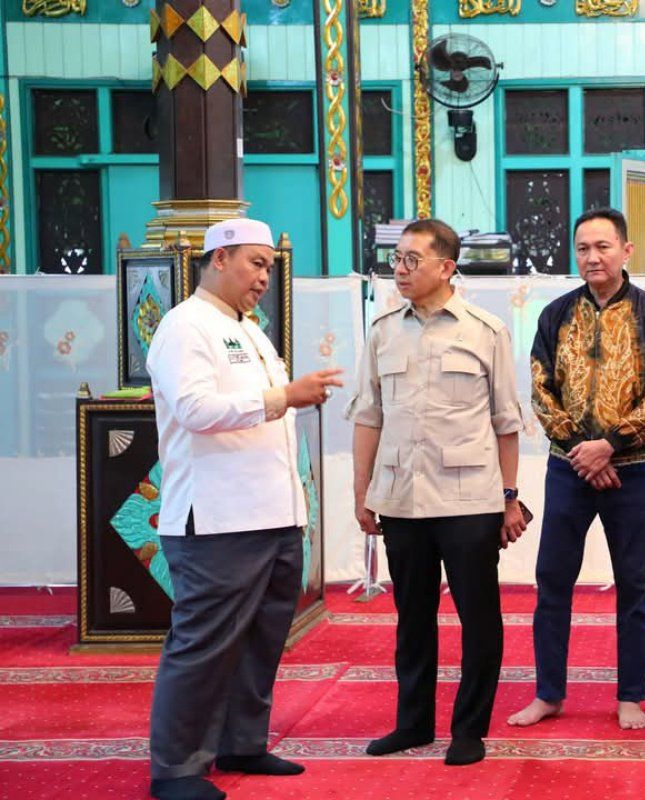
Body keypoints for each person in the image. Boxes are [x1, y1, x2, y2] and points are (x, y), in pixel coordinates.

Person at [145, 218, 344, 800]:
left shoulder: (251, 331)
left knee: (261, 639)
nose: (264, 276)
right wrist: (285, 396)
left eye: (268, 267)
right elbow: (195, 409)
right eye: (255, 263)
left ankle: (241, 743)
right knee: (204, 644)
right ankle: (177, 769)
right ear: (219, 258)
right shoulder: (185, 327)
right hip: (217, 520)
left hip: (273, 516)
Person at [348, 218, 526, 766]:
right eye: (396, 259)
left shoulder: (485, 330)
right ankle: (413, 723)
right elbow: (368, 415)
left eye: (411, 260)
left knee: (479, 618)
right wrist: (363, 493)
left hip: (469, 498)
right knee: (412, 617)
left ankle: (469, 729)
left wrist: (510, 496)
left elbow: (506, 421)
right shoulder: (381, 330)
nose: (399, 270)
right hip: (401, 496)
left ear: (447, 267)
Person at [508, 207, 645, 731]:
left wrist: (609, 445)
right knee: (552, 581)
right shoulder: (555, 314)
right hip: (568, 470)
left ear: (627, 251)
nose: (592, 257)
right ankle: (548, 692)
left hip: (635, 472)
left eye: (603, 246)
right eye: (583, 248)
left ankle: (631, 694)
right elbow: (540, 389)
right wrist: (583, 451)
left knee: (634, 584)